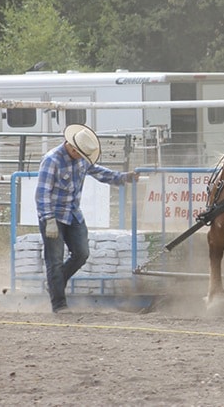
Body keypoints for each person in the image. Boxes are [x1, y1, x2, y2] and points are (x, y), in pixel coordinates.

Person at [35, 124, 138, 313]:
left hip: (73, 214)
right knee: (55, 260)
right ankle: (59, 304)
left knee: (82, 253)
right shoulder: (52, 160)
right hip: (54, 216)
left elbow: (100, 172)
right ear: (72, 147)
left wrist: (123, 178)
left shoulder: (81, 160)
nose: (83, 158)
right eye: (80, 154)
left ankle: (55, 283)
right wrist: (49, 219)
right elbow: (42, 193)